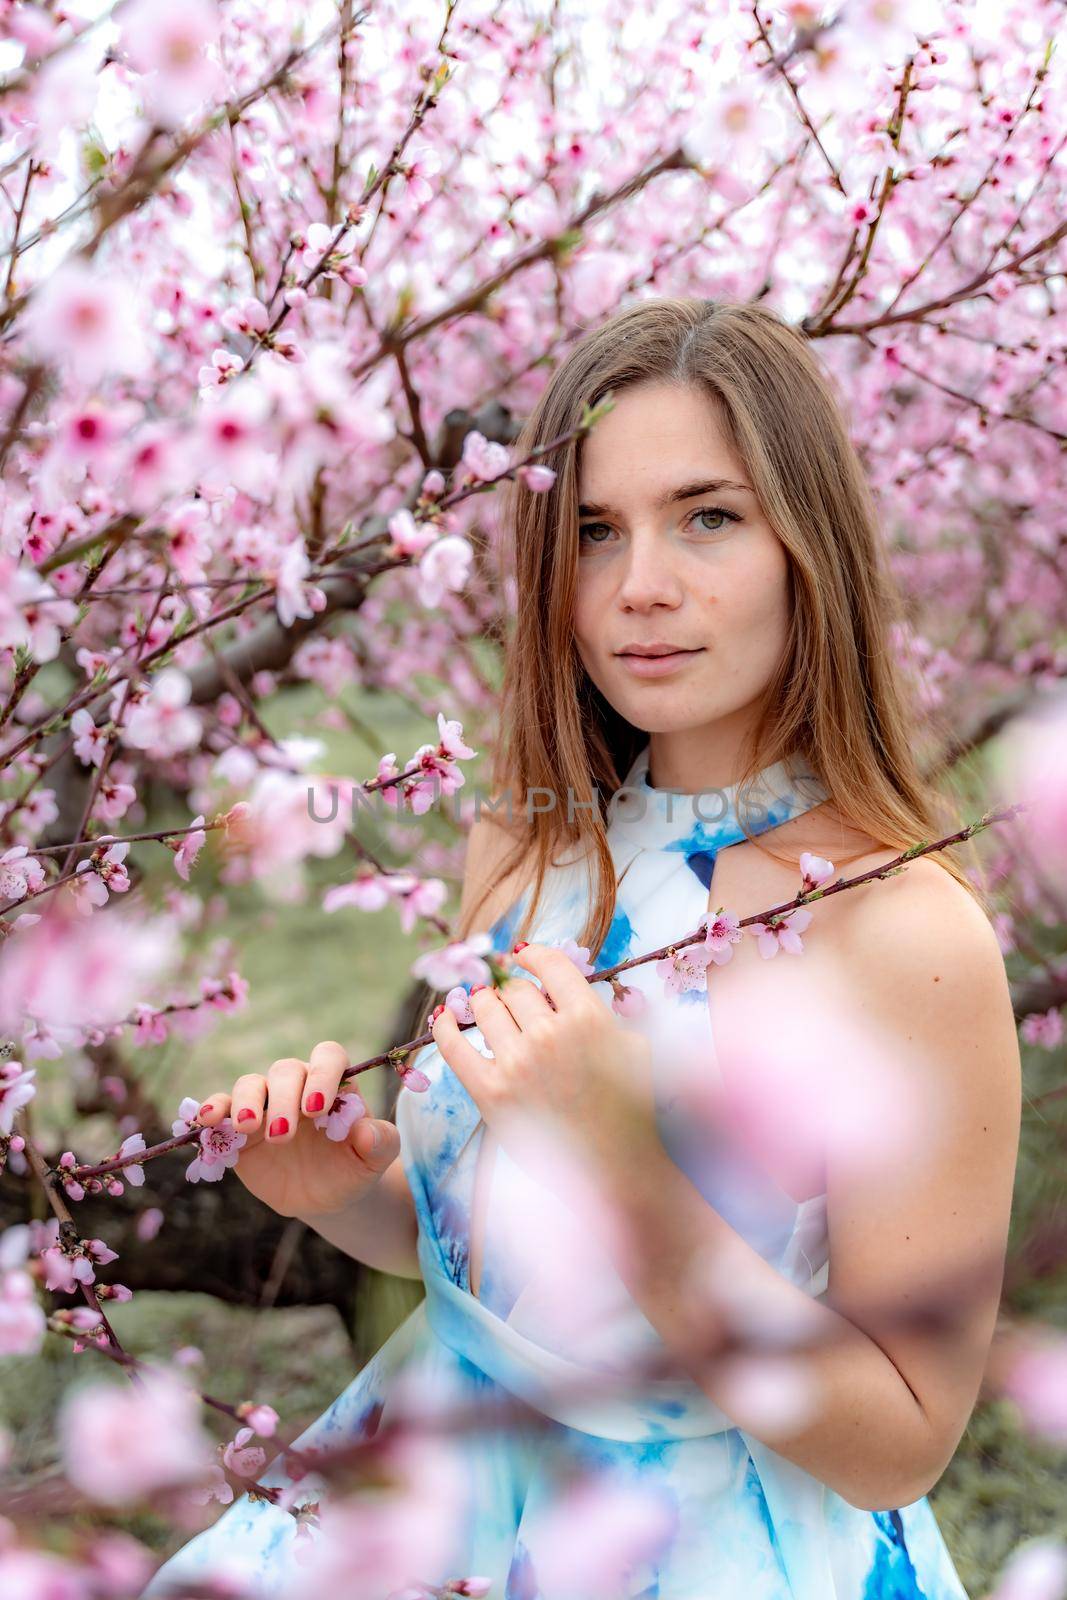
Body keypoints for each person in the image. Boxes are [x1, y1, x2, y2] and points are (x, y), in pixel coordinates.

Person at [143, 298, 1021, 1600]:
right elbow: (497, 1283)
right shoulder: (532, 846)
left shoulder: (896, 929)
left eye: (706, 515)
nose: (639, 587)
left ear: (808, 545)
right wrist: (346, 1196)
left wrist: (631, 1174)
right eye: (595, 532)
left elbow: (903, 1439)